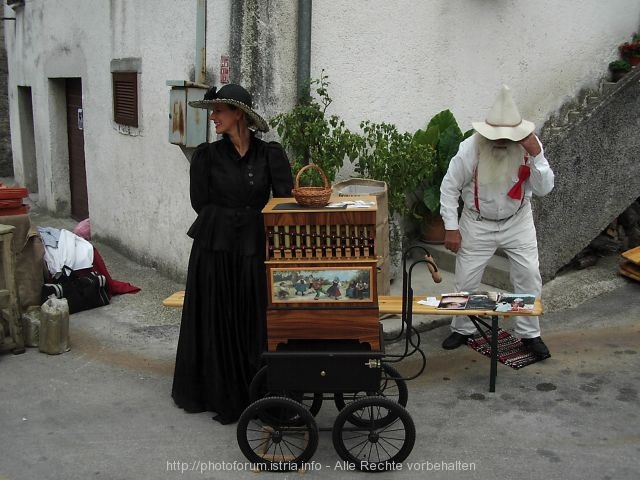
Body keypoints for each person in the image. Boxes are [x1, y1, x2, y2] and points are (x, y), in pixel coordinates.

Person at [171, 84, 294, 424]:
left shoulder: (270, 154)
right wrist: (236, 217)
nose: (213, 118)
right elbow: (201, 202)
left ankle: (259, 390)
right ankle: (221, 392)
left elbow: (284, 199)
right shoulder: (206, 157)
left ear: (238, 113)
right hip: (216, 250)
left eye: (219, 111)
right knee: (218, 317)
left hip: (255, 249)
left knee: (254, 318)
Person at [439, 85, 555, 359]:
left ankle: (529, 334)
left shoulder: (529, 149)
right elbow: (449, 187)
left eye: (508, 136)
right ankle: (462, 328)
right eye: (496, 136)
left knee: (528, 275)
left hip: (518, 220)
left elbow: (544, 188)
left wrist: (538, 156)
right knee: (466, 279)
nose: (502, 141)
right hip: (477, 222)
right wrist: (451, 227)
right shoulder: (470, 149)